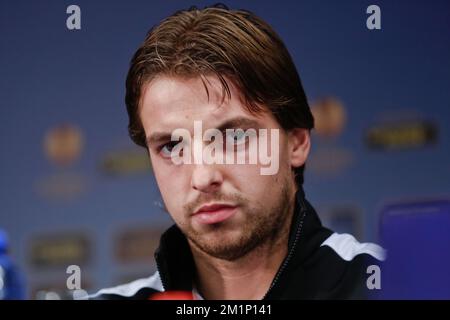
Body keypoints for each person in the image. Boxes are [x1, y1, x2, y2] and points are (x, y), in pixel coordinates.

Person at [92, 4, 385, 300]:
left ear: (296, 142)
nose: (204, 177)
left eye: (235, 136)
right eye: (172, 146)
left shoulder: (394, 286)